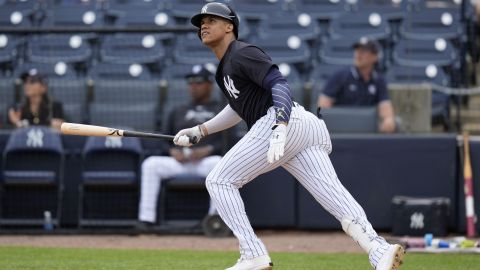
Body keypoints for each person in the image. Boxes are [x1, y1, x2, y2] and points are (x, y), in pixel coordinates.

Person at [173, 3, 405, 270]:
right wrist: (201, 130)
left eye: (211, 19)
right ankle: (378, 249)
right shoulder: (226, 66)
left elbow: (279, 83)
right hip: (303, 126)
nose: (204, 24)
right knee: (334, 196)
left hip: (280, 120)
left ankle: (252, 255)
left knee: (219, 180)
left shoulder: (242, 52)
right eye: (201, 21)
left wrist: (280, 124)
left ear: (230, 26)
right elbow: (238, 108)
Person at [137, 64, 224, 230]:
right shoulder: (178, 110)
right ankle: (146, 219)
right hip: (179, 161)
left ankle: (215, 220)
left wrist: (210, 149)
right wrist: (172, 151)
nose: (194, 86)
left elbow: (229, 140)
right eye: (191, 83)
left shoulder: (220, 111)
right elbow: (162, 139)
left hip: (205, 163)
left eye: (198, 82)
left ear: (209, 85)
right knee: (151, 164)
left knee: (219, 163)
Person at [317, 38, 396, 133]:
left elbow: (385, 108)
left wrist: (388, 120)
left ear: (374, 56)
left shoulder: (379, 80)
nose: (358, 54)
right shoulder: (340, 76)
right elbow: (323, 108)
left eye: (363, 51)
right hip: (340, 130)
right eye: (357, 50)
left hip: (367, 132)